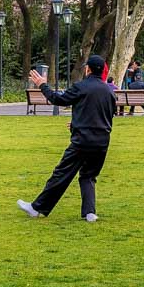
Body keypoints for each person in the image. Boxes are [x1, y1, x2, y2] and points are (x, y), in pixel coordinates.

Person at [18, 55, 115, 222]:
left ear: (88, 69)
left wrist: (42, 84)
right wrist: (77, 122)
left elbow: (59, 99)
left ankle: (37, 207)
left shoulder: (81, 87)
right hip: (102, 141)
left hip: (82, 140)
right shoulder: (109, 91)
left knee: (62, 173)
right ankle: (89, 212)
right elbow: (106, 114)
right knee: (88, 175)